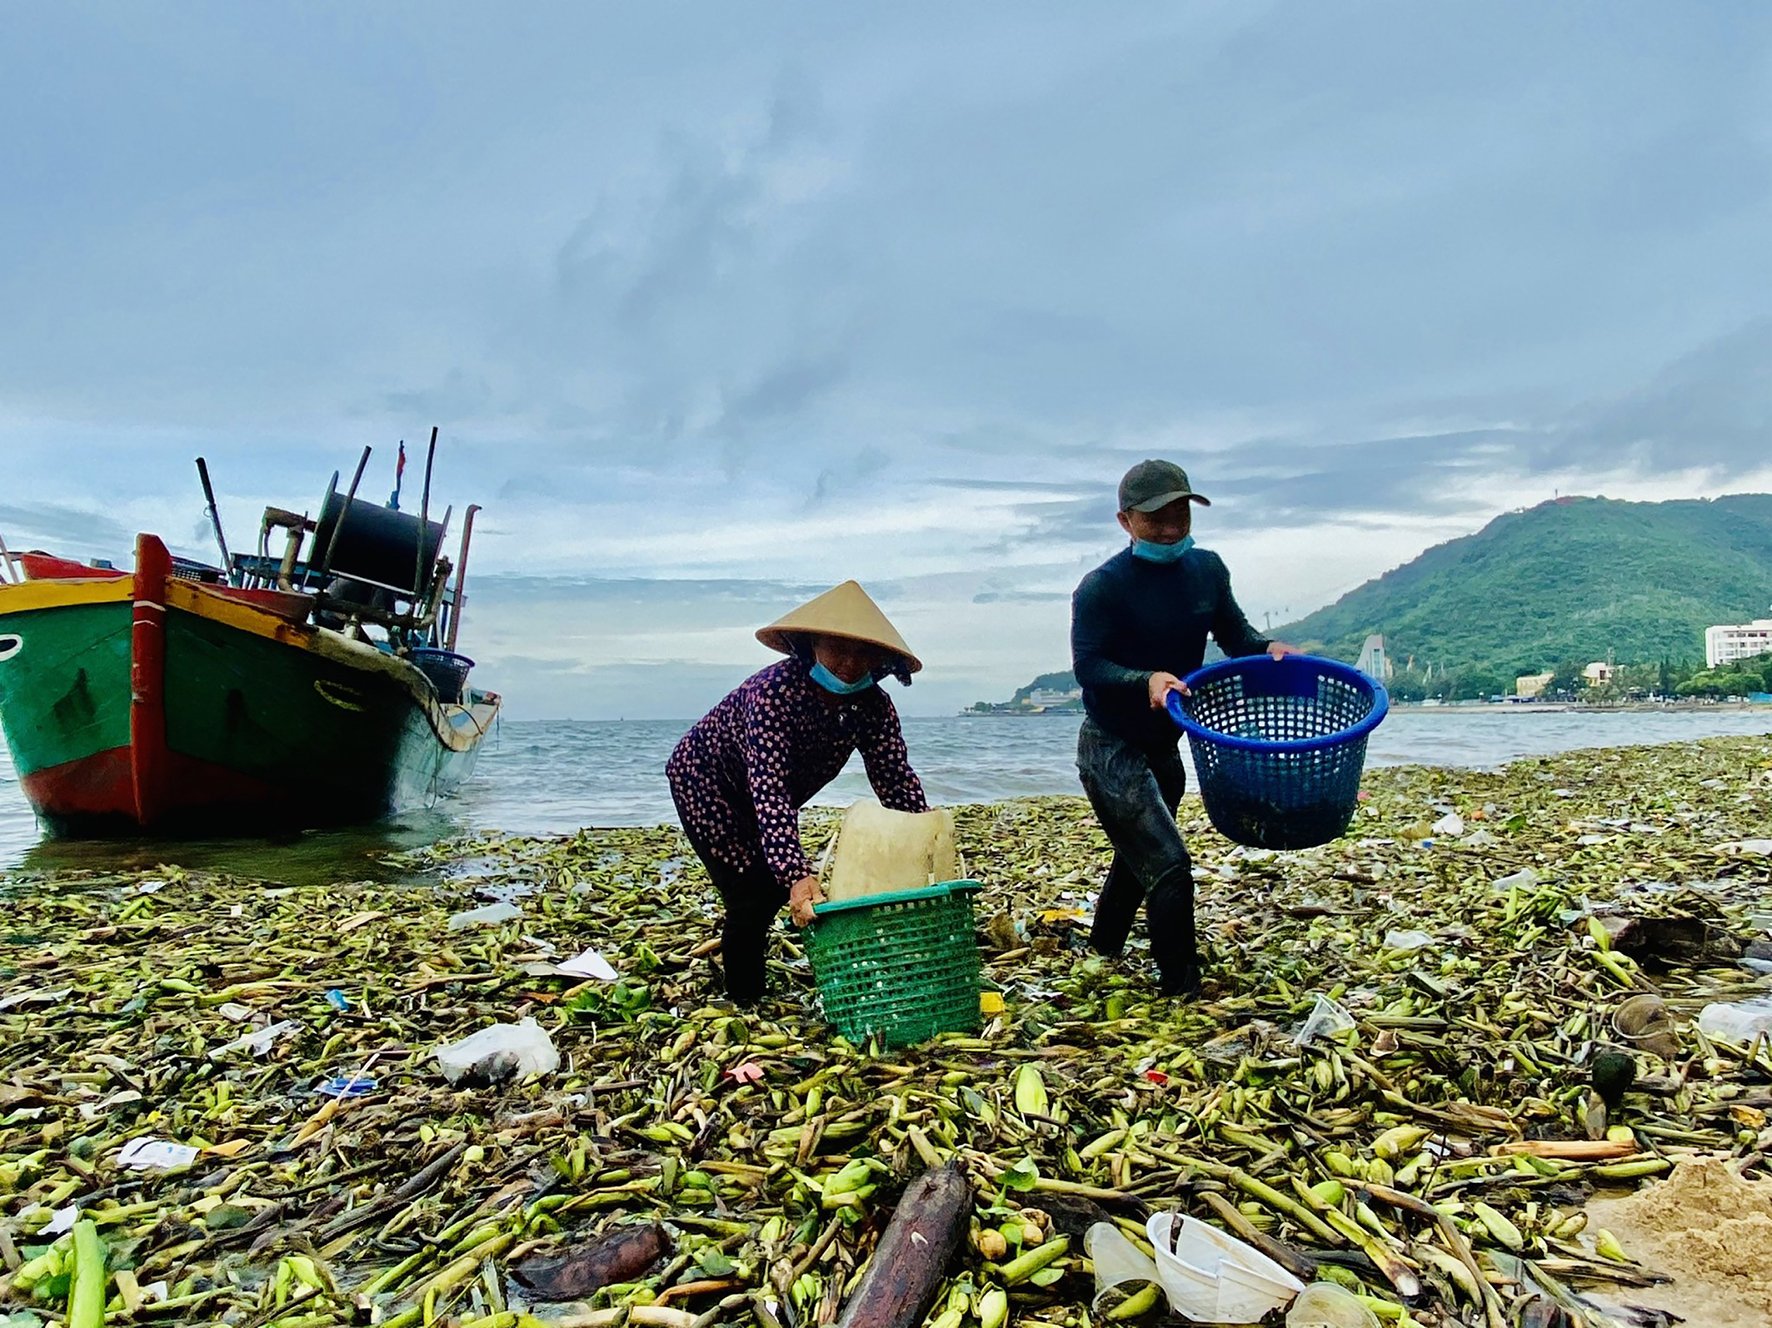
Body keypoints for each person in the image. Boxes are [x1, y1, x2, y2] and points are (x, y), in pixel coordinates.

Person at [1070, 460, 1301, 997]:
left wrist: (1269, 649)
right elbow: (1089, 666)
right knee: (1169, 863)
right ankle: (1181, 986)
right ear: (1126, 521)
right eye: (1156, 518)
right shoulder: (1101, 588)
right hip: (1111, 745)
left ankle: (1101, 950)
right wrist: (1145, 677)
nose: (1172, 527)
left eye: (1180, 513)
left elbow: (1234, 633)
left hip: (1164, 744)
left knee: (1141, 853)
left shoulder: (1208, 570)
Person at [667, 581, 929, 1004]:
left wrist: (924, 840)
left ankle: (768, 967)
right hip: (705, 783)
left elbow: (895, 778)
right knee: (753, 892)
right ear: (810, 644)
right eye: (837, 648)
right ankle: (744, 997)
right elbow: (768, 788)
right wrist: (796, 875)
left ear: (881, 659)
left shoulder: (874, 708)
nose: (848, 663)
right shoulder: (772, 694)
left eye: (862, 652)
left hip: (765, 795)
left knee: (776, 881)